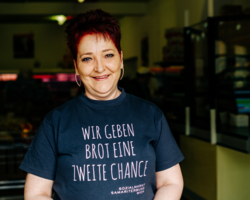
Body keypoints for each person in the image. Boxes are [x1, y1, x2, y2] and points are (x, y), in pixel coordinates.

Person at [20, 9, 184, 200]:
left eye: (108, 55)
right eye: (87, 58)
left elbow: (170, 182)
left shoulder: (150, 114)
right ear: (76, 67)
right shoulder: (55, 122)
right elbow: (36, 193)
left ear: (121, 59)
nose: (99, 67)